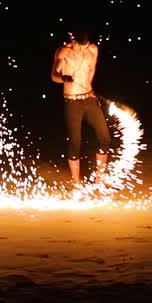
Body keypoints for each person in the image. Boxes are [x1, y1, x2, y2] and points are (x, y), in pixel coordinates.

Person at [51, 27, 111, 188]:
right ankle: (77, 184)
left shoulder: (93, 49)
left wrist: (90, 90)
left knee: (105, 138)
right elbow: (54, 76)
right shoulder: (63, 52)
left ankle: (99, 180)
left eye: (86, 46)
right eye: (80, 46)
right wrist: (64, 78)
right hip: (72, 101)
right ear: (73, 41)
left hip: (89, 99)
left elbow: (91, 70)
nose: (83, 49)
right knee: (75, 143)